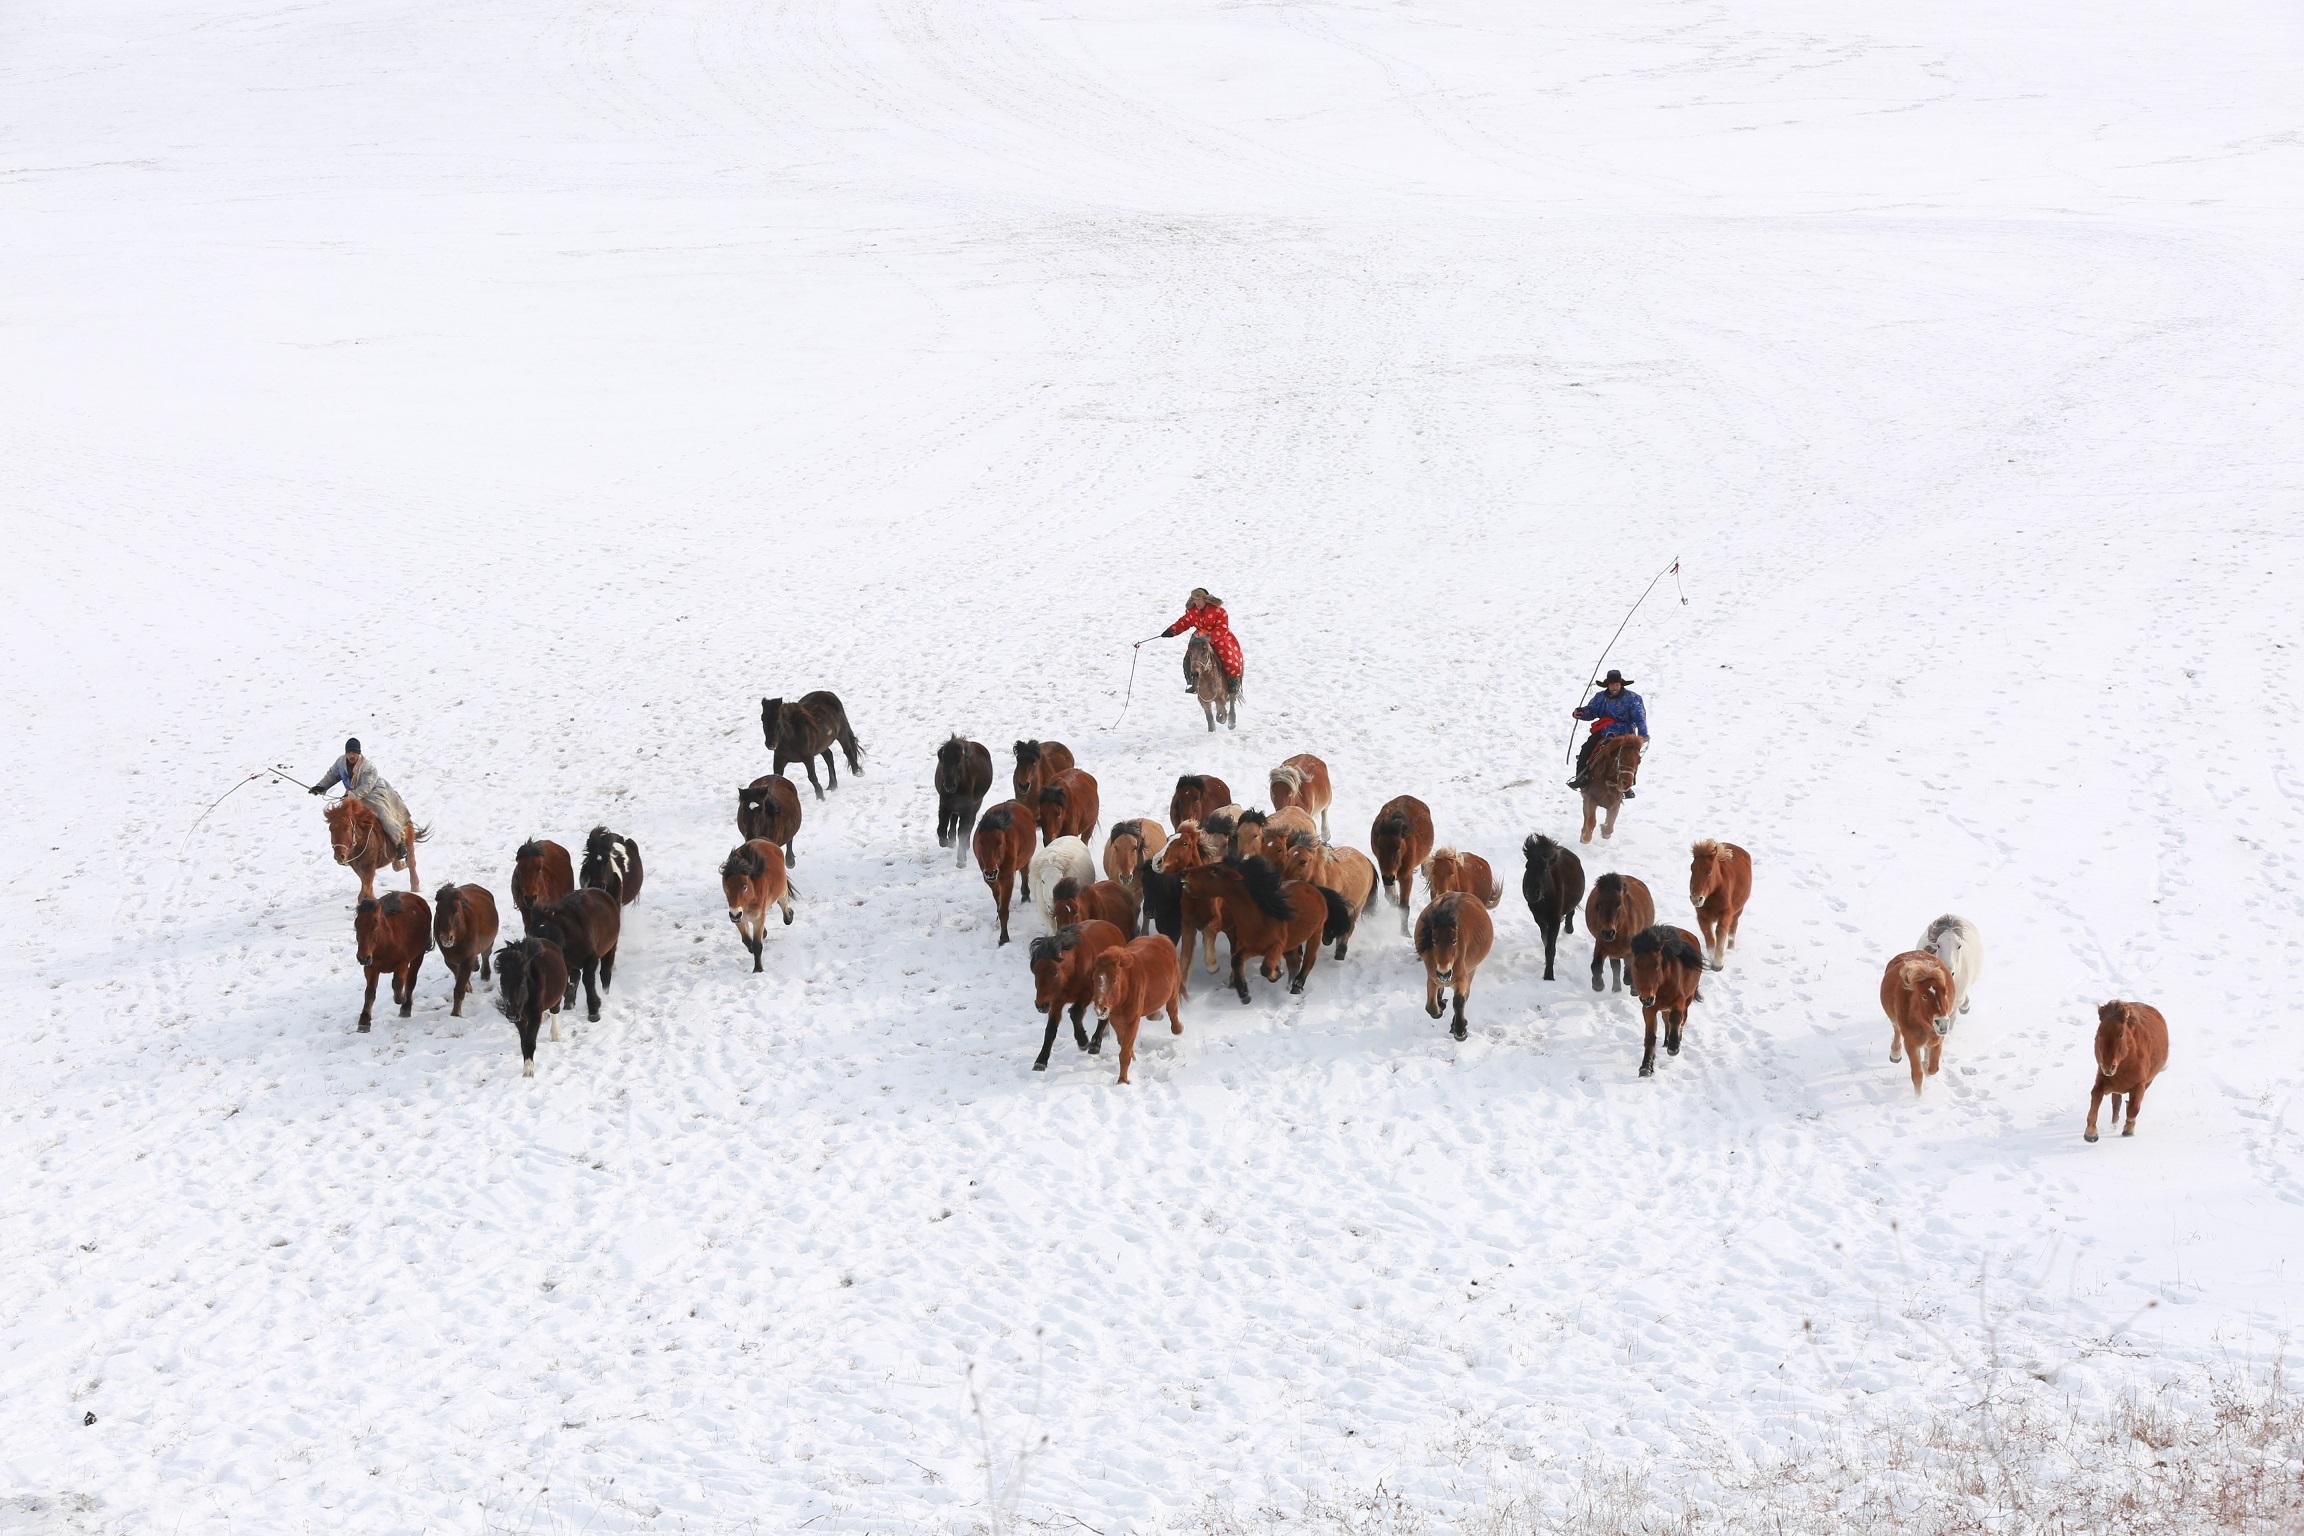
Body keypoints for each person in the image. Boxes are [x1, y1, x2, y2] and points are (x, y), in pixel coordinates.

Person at [309, 737, 416, 867]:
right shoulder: (340, 762)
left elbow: (366, 787)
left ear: (359, 753)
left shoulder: (369, 767)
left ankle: (399, 843)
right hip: (352, 795)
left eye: (354, 753)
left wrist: (351, 795)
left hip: (373, 793)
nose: (351, 755)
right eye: (349, 752)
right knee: (344, 820)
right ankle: (345, 850)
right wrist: (321, 787)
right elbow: (332, 775)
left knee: (382, 813)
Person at [1142, 588, 1245, 697]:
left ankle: (1233, 681)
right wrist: (1171, 631)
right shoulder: (1193, 612)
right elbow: (1183, 622)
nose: (1197, 603)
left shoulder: (1219, 611)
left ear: (1205, 599)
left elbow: (1222, 628)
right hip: (1199, 638)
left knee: (1228, 657)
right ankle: (1192, 682)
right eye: (1195, 600)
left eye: (1199, 600)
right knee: (1189, 657)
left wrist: (1209, 638)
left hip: (1218, 637)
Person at [1567, 670, 1648, 796]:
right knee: (1586, 749)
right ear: (1607, 685)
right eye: (1611, 685)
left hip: (1625, 734)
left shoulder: (1633, 698)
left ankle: (1628, 786)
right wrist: (1581, 712)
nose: (1614, 687)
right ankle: (1581, 778)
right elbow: (1592, 711)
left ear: (1621, 684)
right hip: (1604, 731)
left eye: (1616, 684)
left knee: (1629, 758)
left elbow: (1640, 718)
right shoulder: (1600, 697)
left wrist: (1643, 734)